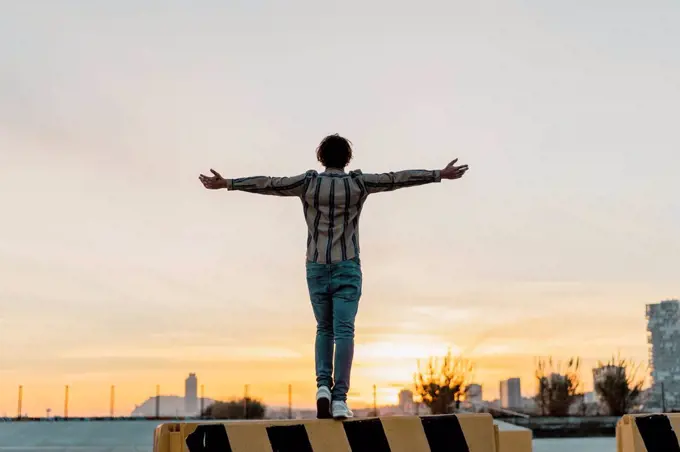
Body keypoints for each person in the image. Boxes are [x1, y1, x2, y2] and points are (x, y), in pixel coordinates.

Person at [199, 134, 469, 420]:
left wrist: (228, 183)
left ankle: (322, 389)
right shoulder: (358, 184)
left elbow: (270, 183)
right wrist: (439, 174)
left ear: (321, 158)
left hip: (315, 267)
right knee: (344, 331)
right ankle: (340, 398)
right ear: (347, 159)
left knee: (323, 328)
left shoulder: (308, 183)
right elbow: (396, 179)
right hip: (347, 266)